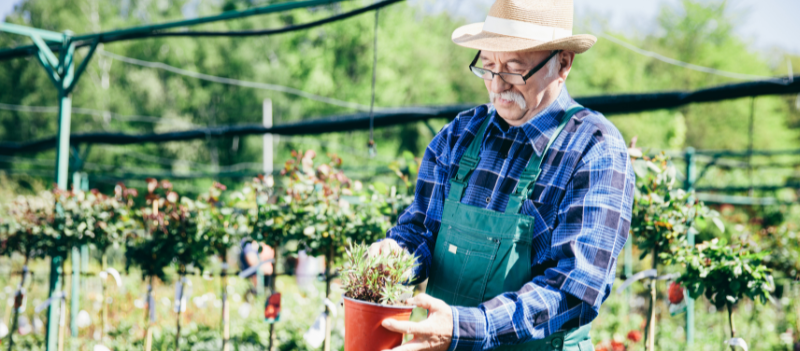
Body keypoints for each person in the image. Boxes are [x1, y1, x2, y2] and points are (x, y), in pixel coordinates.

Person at [369, 1, 636, 350]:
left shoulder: (594, 150)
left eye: (513, 69)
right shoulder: (461, 135)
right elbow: (421, 228)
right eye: (487, 66)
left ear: (563, 63)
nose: (496, 86)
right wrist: (393, 255)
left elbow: (576, 288)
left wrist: (467, 327)